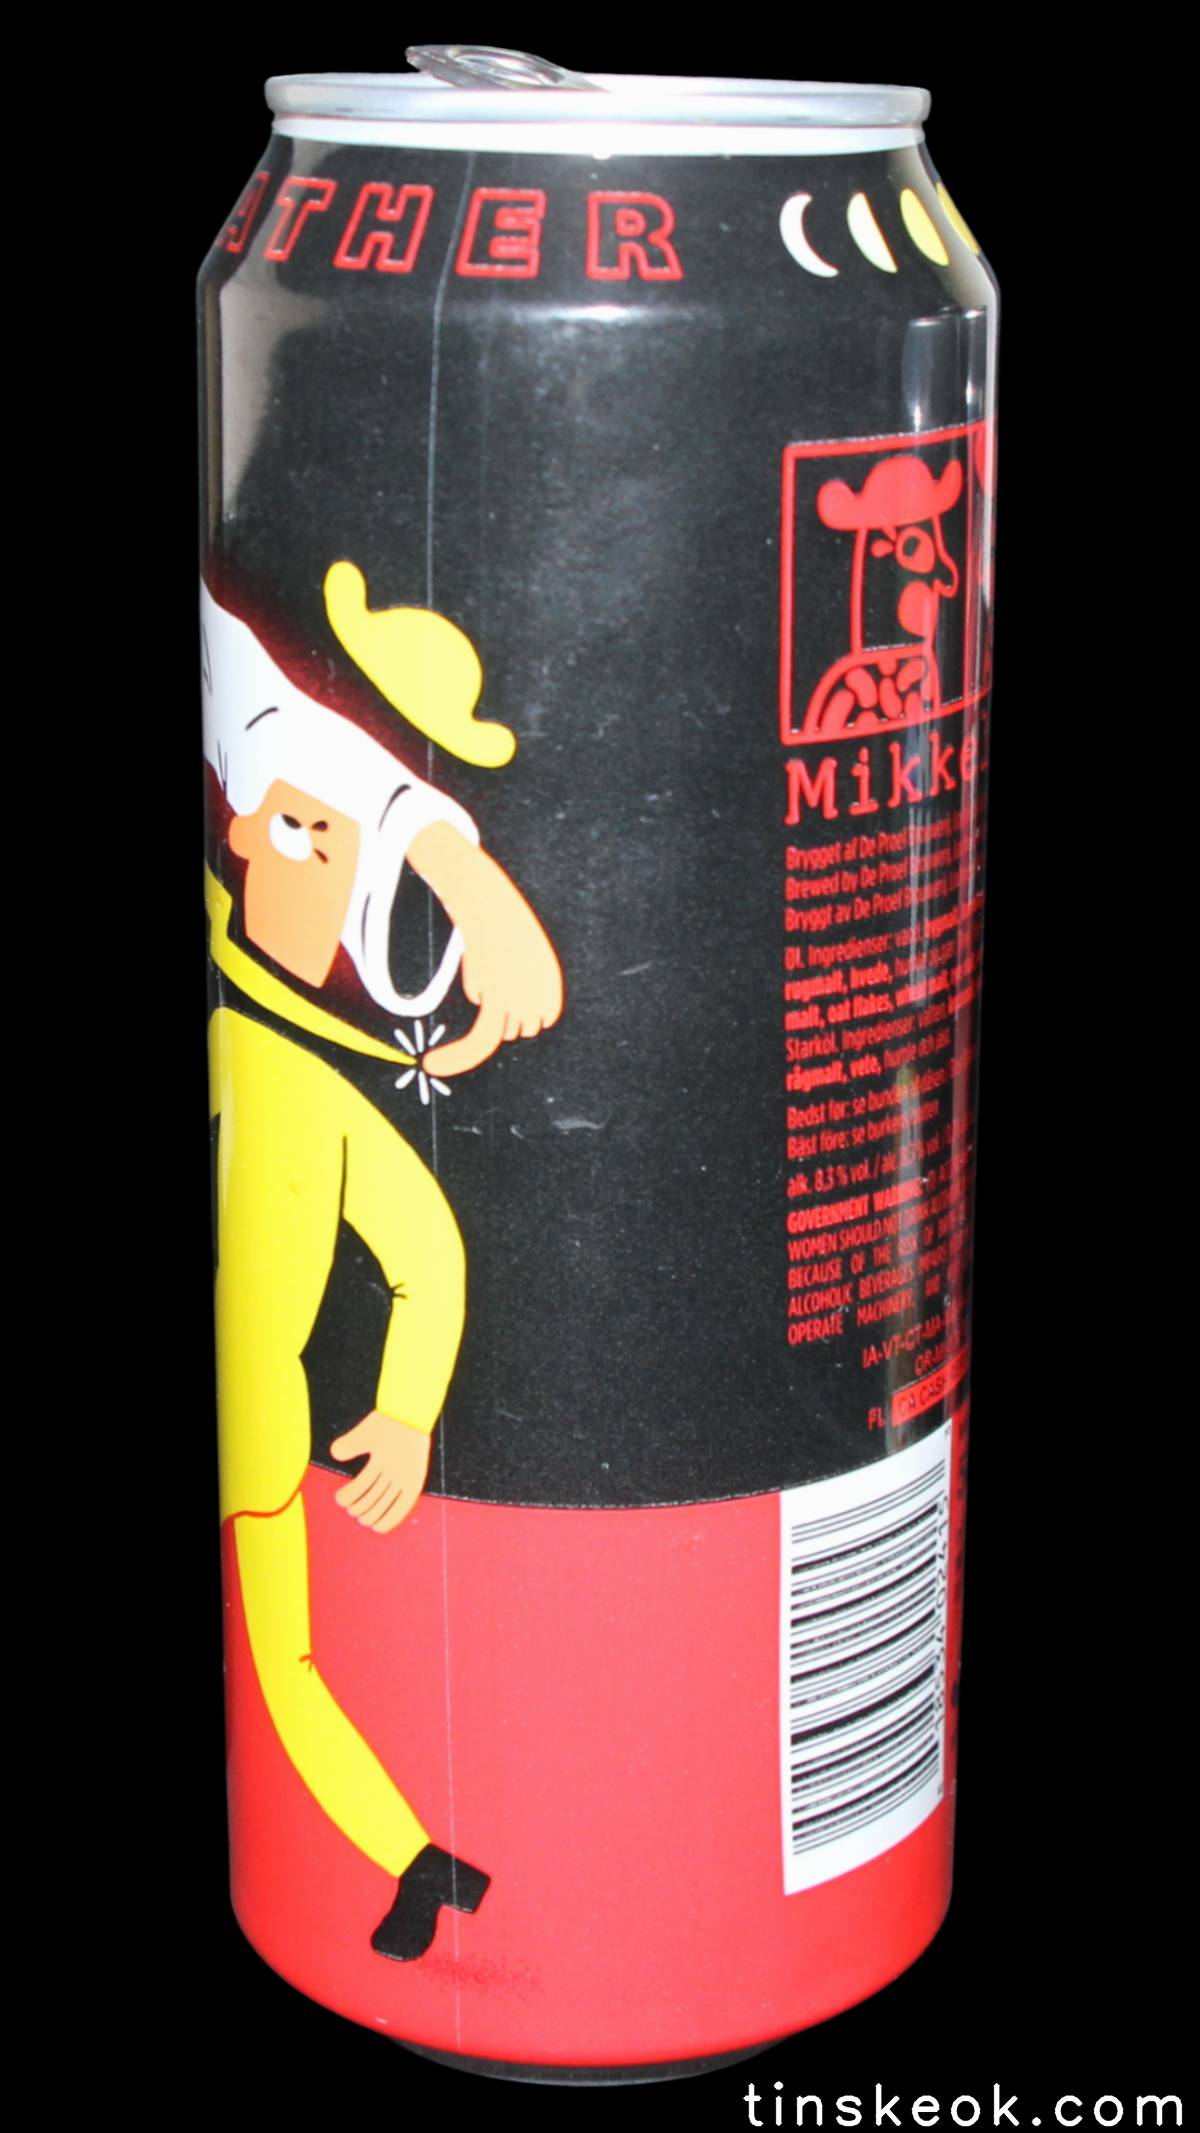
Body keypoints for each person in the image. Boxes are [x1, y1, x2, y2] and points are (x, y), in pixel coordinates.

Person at [202, 579, 563, 1959]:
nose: (284, 841)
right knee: (282, 1668)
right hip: (247, 1417)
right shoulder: (243, 999)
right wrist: (458, 866)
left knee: (287, 1666)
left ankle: (420, 1864)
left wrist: (409, 1414)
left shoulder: (324, 1085)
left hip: (264, 1430)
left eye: (329, 841)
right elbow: (260, 700)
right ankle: (422, 1865)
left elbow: (429, 1253)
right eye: (282, 820)